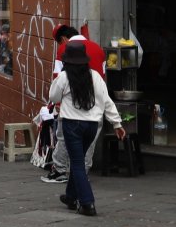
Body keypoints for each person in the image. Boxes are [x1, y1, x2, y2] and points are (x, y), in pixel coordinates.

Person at [48, 43, 125, 217]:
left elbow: (53, 96)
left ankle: (87, 203)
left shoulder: (64, 77)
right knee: (79, 159)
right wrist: (117, 124)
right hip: (92, 126)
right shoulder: (96, 76)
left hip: (72, 125)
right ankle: (70, 196)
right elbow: (107, 101)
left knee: (77, 163)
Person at [44, 25, 108, 183]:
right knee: (89, 141)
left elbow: (57, 77)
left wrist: (56, 104)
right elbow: (104, 78)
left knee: (64, 137)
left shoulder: (65, 49)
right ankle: (82, 173)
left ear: (63, 39)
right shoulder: (99, 50)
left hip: (71, 105)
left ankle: (59, 170)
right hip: (95, 105)